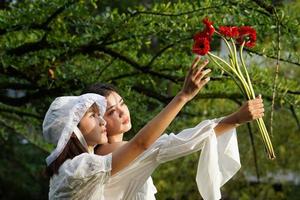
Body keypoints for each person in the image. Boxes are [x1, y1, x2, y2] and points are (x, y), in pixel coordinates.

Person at [82, 59, 265, 200]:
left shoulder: (121, 149)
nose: (122, 112)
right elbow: (162, 145)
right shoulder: (105, 153)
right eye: (112, 111)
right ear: (99, 120)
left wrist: (235, 120)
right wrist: (234, 119)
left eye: (122, 103)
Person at [42, 56, 211, 199]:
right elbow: (142, 144)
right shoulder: (77, 168)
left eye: (121, 104)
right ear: (72, 132)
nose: (102, 122)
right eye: (93, 116)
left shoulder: (81, 165)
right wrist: (182, 97)